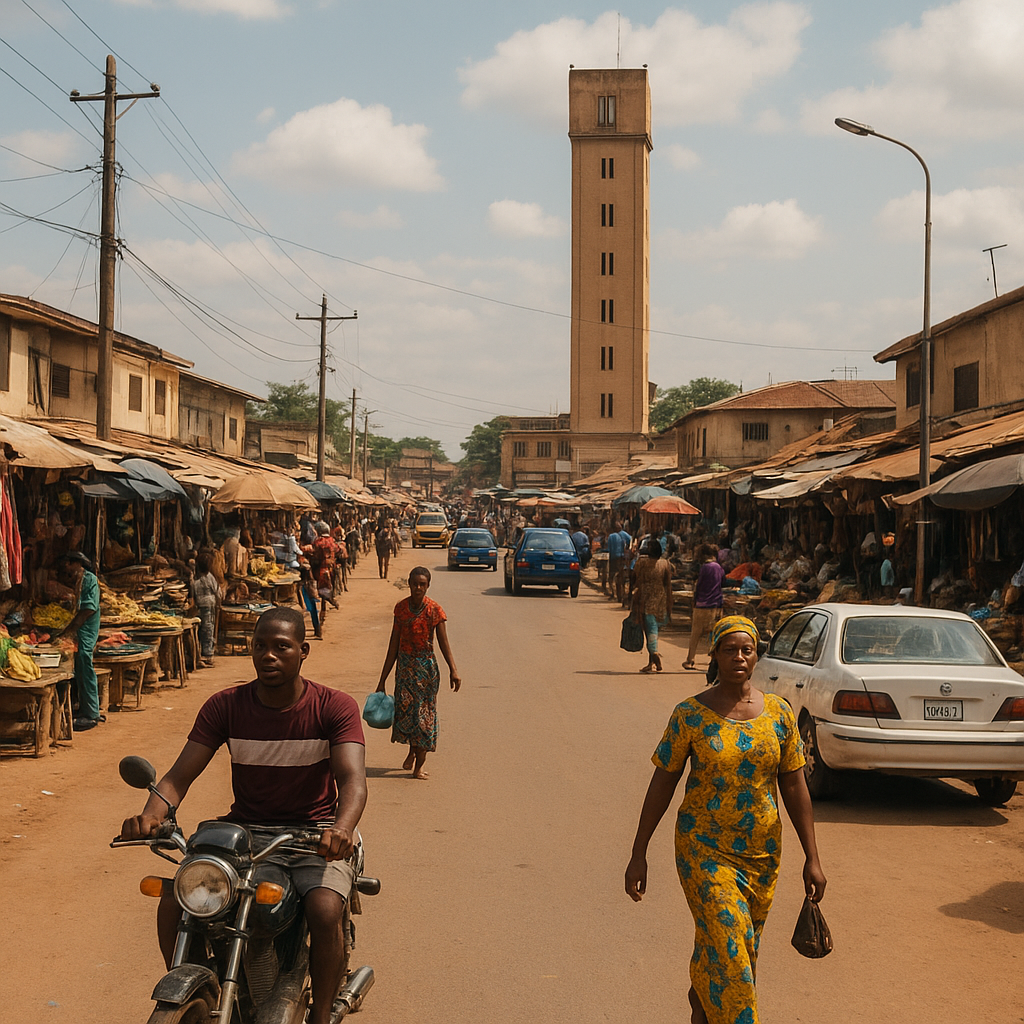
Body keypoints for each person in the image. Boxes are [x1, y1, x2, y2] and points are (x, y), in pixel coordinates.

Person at [119, 608, 367, 1024]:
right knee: (176, 902)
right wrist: (151, 814)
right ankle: (204, 988)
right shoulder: (226, 706)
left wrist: (342, 829)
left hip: (314, 835)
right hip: (248, 834)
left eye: (281, 647)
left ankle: (322, 1014)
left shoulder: (334, 707)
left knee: (324, 911)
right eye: (260, 646)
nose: (268, 656)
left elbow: (353, 781)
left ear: (303, 652)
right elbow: (179, 776)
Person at [625, 616, 827, 1024]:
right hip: (703, 852)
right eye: (730, 649)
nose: (739, 656)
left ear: (756, 656)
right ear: (715, 654)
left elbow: (794, 787)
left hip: (761, 856)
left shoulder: (779, 714)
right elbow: (662, 783)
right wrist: (638, 851)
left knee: (735, 950)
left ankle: (701, 1011)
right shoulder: (690, 715)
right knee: (731, 950)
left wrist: (813, 857)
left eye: (747, 649)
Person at [375, 566, 460, 780]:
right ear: (409, 584)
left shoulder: (434, 610)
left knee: (425, 716)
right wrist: (382, 679)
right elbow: (393, 645)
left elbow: (443, 642)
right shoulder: (401, 609)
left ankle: (418, 766)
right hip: (404, 670)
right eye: (415, 584)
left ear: (428, 586)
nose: (418, 588)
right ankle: (412, 750)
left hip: (427, 671)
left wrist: (453, 670)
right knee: (407, 714)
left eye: (422, 584)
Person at [53, 552, 102, 731]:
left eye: (67, 564)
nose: (65, 568)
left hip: (87, 630)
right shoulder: (79, 580)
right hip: (81, 630)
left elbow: (88, 608)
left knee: (85, 665)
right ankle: (83, 707)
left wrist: (71, 629)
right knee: (80, 669)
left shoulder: (90, 580)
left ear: (76, 563)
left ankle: (91, 714)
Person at [630, 538, 674, 673]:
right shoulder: (665, 564)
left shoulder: (642, 562)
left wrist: (630, 595)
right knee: (653, 630)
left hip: (645, 600)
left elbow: (633, 577)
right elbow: (668, 584)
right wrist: (669, 604)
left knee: (649, 630)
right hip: (660, 600)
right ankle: (651, 663)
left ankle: (654, 654)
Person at [684, 544, 724, 671]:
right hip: (715, 605)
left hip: (701, 605)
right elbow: (722, 584)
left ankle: (690, 660)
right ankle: (714, 660)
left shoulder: (705, 568)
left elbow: (699, 586)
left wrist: (694, 600)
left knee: (695, 634)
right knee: (714, 635)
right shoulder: (719, 568)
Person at [190, 549, 221, 667]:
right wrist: (219, 601)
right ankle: (207, 655)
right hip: (207, 606)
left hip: (201, 606)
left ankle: (204, 654)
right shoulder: (208, 577)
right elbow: (218, 592)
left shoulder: (196, 578)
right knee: (208, 629)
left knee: (204, 630)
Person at [605, 521, 630, 601]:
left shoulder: (611, 537)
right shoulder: (623, 536)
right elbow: (629, 541)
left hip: (613, 558)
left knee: (611, 577)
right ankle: (621, 595)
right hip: (621, 558)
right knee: (620, 576)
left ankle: (613, 593)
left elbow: (609, 549)